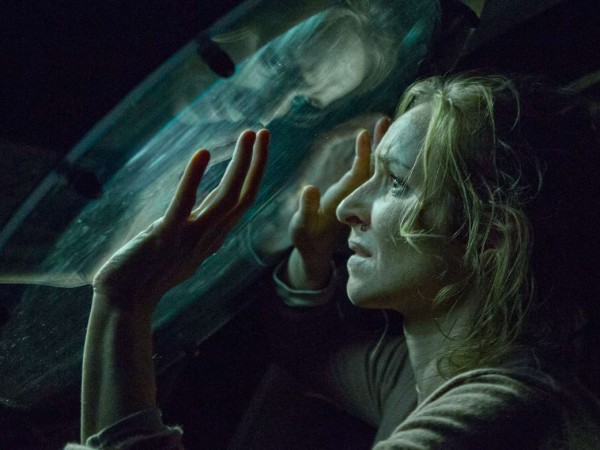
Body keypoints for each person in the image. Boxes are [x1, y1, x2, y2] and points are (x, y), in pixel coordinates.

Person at [66, 74, 600, 449]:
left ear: (490, 239)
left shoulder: (507, 415)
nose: (347, 207)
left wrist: (124, 304)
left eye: (395, 183)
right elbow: (308, 349)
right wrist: (313, 254)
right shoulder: (436, 372)